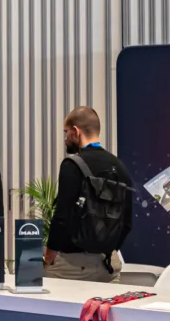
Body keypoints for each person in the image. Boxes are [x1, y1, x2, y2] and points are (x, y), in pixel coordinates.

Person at [45, 106, 133, 282]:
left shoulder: (72, 165)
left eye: (66, 132)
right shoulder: (120, 167)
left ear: (76, 131)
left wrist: (49, 257)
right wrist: (109, 250)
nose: (65, 138)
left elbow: (62, 217)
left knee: (32, 281)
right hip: (108, 266)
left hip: (72, 265)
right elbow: (127, 222)